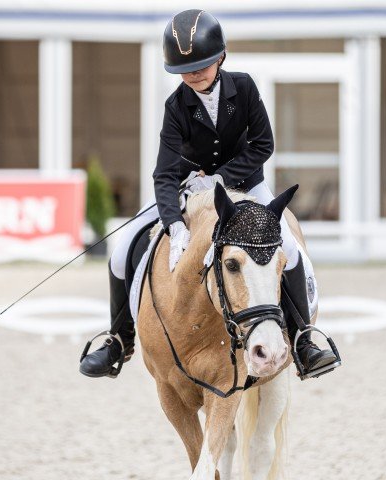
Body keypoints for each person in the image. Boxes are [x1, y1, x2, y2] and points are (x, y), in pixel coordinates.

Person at [79, 9, 339, 379]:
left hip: (247, 185)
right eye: (185, 69)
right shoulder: (176, 107)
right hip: (191, 194)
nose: (194, 74)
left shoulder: (245, 87)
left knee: (288, 247)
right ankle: (119, 340)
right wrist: (174, 223)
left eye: (201, 65)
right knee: (122, 250)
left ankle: (303, 341)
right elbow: (164, 172)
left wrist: (218, 178)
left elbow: (263, 145)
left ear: (220, 57)